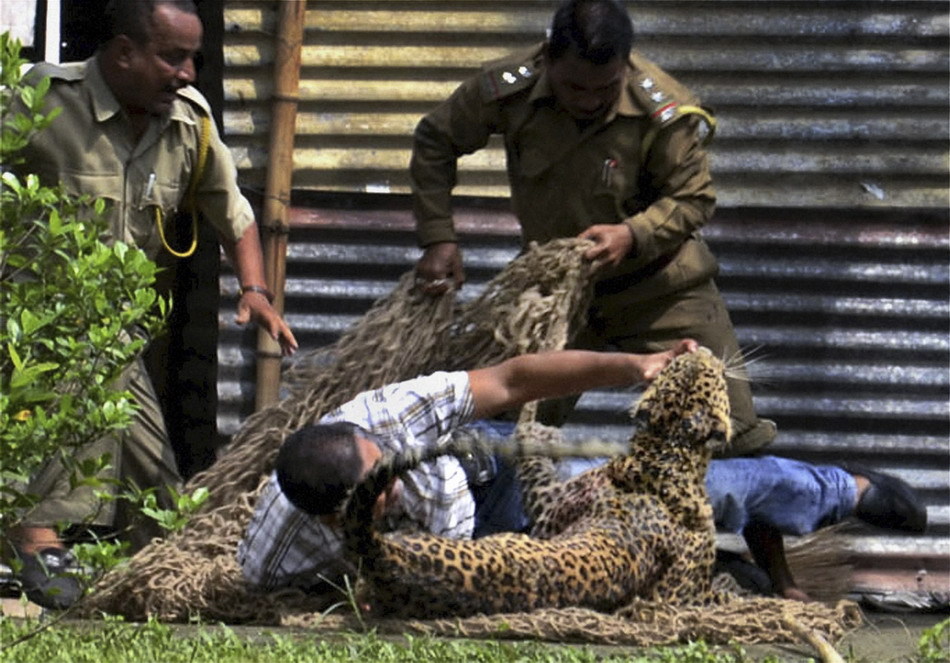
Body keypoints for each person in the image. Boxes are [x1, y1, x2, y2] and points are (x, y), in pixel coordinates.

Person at [7, 0, 298, 609]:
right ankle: (35, 541)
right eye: (172, 58)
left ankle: (157, 572)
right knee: (50, 414)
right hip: (31, 324)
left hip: (114, 331)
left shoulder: (189, 124)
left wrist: (255, 290)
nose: (186, 73)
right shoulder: (42, 99)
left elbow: (233, 213)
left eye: (193, 59)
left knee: (157, 489)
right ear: (123, 54)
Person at [409, 0, 775, 456]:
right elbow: (435, 140)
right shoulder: (509, 88)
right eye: (574, 87)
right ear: (548, 57)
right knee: (493, 433)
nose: (587, 101)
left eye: (604, 88)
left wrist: (633, 234)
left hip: (659, 290)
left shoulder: (663, 110)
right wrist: (439, 237)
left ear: (624, 64)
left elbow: (694, 199)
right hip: (555, 296)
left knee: (728, 433)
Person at [238, 341, 698, 592]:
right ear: (332, 519)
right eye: (377, 486)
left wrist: (636, 365)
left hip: (490, 476)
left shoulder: (388, 416)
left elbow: (512, 380)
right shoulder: (278, 555)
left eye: (387, 466)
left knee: (639, 488)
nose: (393, 478)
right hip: (465, 557)